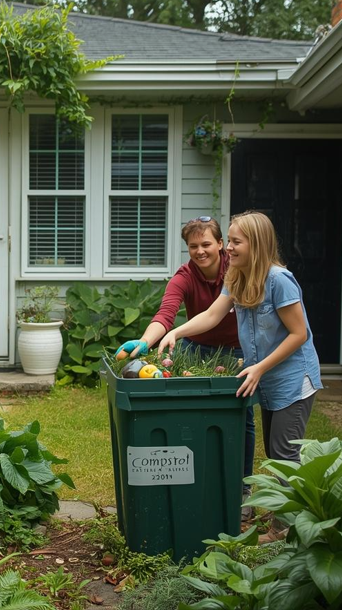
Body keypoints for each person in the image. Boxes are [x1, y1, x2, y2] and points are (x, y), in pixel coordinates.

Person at [158, 211, 322, 542]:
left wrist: (259, 367)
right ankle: (285, 519)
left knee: (284, 455)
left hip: (293, 379)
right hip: (269, 380)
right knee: (278, 454)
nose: (228, 248)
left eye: (235, 241)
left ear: (256, 244)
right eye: (229, 240)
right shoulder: (237, 275)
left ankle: (285, 530)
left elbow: (298, 334)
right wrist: (176, 332)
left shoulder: (279, 280)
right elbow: (213, 314)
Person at [115, 216, 256, 521]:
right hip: (196, 349)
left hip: (238, 351)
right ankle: (194, 474)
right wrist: (143, 343)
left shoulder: (236, 271)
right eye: (193, 246)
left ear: (221, 244)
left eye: (206, 244)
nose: (200, 251)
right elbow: (166, 314)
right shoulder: (184, 276)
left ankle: (243, 488)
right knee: (191, 410)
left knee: (242, 415)